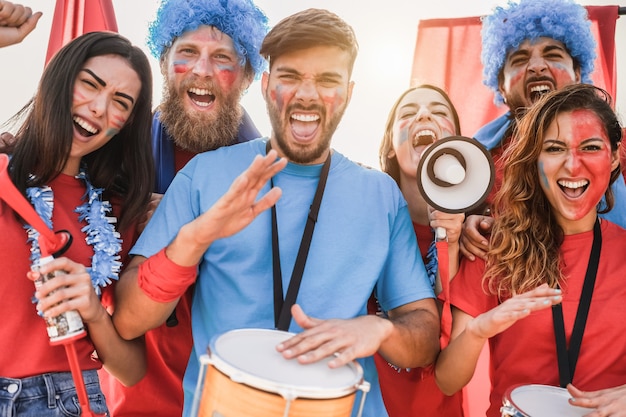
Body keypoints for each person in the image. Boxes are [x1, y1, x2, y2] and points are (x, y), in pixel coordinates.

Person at [112, 8, 440, 417]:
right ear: (267, 87)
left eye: (327, 80)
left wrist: (382, 329)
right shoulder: (203, 175)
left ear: (350, 93)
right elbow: (127, 320)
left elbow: (424, 338)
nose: (307, 94)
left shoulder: (380, 194)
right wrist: (194, 239)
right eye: (290, 77)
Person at [96, 1, 270, 416]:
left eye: (222, 57)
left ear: (245, 76)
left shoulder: (273, 176)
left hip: (236, 392)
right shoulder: (113, 152)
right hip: (134, 392)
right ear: (162, 61)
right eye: (187, 53)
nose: (203, 70)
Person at [434, 84, 626, 417]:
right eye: (554, 148)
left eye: (591, 147)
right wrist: (480, 329)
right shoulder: (493, 247)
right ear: (535, 161)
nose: (572, 165)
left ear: (613, 158)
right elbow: (447, 380)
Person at [0, 31, 154, 415]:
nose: (100, 108)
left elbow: (132, 371)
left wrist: (93, 310)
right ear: (60, 79)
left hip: (65, 399)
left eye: (120, 102)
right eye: (90, 84)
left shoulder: (119, 210)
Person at [461, 0, 626, 260]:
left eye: (552, 55)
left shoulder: (619, 144)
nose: (537, 66)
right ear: (501, 87)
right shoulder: (474, 161)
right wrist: (466, 226)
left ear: (577, 72)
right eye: (520, 59)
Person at [375, 84, 465, 416]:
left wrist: (451, 244)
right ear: (389, 147)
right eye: (409, 113)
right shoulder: (363, 216)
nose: (424, 114)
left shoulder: (478, 236)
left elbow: (451, 343)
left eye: (439, 112)